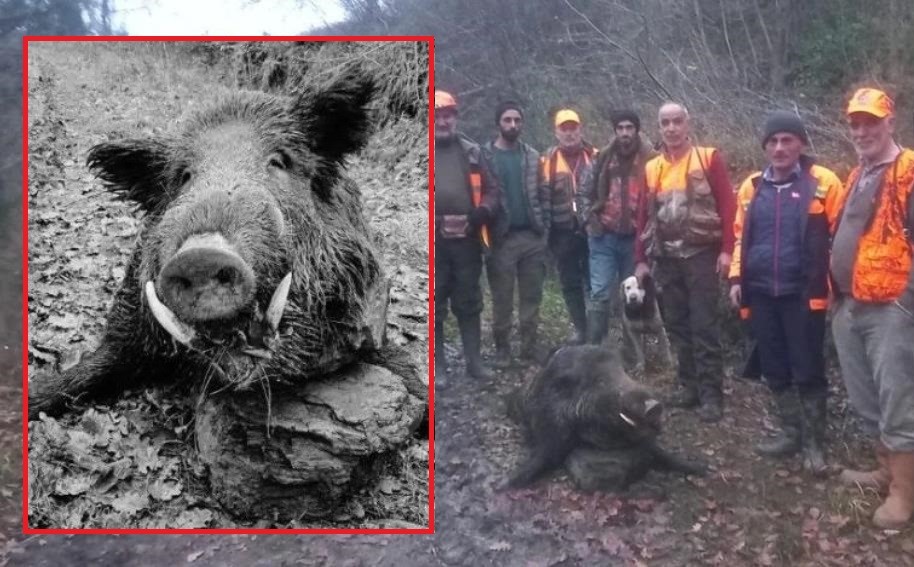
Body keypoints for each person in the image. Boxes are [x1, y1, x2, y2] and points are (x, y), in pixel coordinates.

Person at [728, 111, 843, 475]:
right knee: (774, 366)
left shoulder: (822, 182)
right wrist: (735, 279)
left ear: (801, 144)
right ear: (764, 146)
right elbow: (738, 236)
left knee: (808, 367)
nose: (779, 148)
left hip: (803, 293)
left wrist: (839, 286)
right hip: (761, 291)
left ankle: (814, 446)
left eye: (787, 140)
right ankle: (791, 432)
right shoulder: (750, 186)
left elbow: (841, 236)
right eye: (772, 141)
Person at [830, 88, 914, 529]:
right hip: (850, 305)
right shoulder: (858, 173)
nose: (862, 130)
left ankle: (904, 494)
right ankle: (885, 470)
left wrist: (906, 304)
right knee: (866, 399)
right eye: (855, 123)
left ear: (890, 122)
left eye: (871, 121)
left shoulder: (909, 170)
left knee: (898, 400)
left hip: (891, 309)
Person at [634, 102, 736, 423]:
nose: (671, 128)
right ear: (659, 127)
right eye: (665, 122)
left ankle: (711, 396)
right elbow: (642, 217)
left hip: (701, 255)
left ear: (687, 123)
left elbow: (729, 207)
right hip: (666, 257)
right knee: (677, 324)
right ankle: (689, 386)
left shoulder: (708, 158)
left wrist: (727, 251)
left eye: (677, 121)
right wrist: (641, 260)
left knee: (704, 325)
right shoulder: (652, 168)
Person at [433, 90, 497, 382]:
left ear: (455, 118)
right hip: (433, 245)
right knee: (434, 304)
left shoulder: (472, 152)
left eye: (447, 115)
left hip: (468, 241)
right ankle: (438, 367)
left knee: (469, 302)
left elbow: (493, 190)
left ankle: (474, 362)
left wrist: (482, 211)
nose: (442, 121)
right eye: (437, 116)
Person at [581, 110, 653, 348]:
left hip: (635, 239)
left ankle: (632, 351)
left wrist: (651, 231)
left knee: (633, 293)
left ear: (637, 130)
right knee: (600, 292)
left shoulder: (651, 159)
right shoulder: (601, 157)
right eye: (620, 128)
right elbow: (584, 192)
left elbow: (658, 195)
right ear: (615, 131)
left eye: (629, 127)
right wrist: (589, 219)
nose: (625, 133)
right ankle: (594, 349)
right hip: (604, 236)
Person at [483, 100, 547, 367]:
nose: (513, 125)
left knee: (532, 295)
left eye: (517, 120)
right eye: (507, 120)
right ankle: (502, 350)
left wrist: (546, 228)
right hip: (502, 238)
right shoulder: (483, 156)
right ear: (498, 122)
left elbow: (544, 192)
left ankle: (529, 347)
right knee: (502, 297)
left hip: (532, 235)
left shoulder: (532, 156)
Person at [540, 108, 597, 344]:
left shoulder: (596, 156)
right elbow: (541, 198)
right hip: (562, 233)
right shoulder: (546, 162)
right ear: (556, 132)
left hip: (592, 229)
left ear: (580, 129)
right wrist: (545, 234)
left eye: (573, 128)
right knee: (570, 282)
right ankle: (581, 329)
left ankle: (597, 330)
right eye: (564, 129)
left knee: (595, 282)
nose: (570, 133)